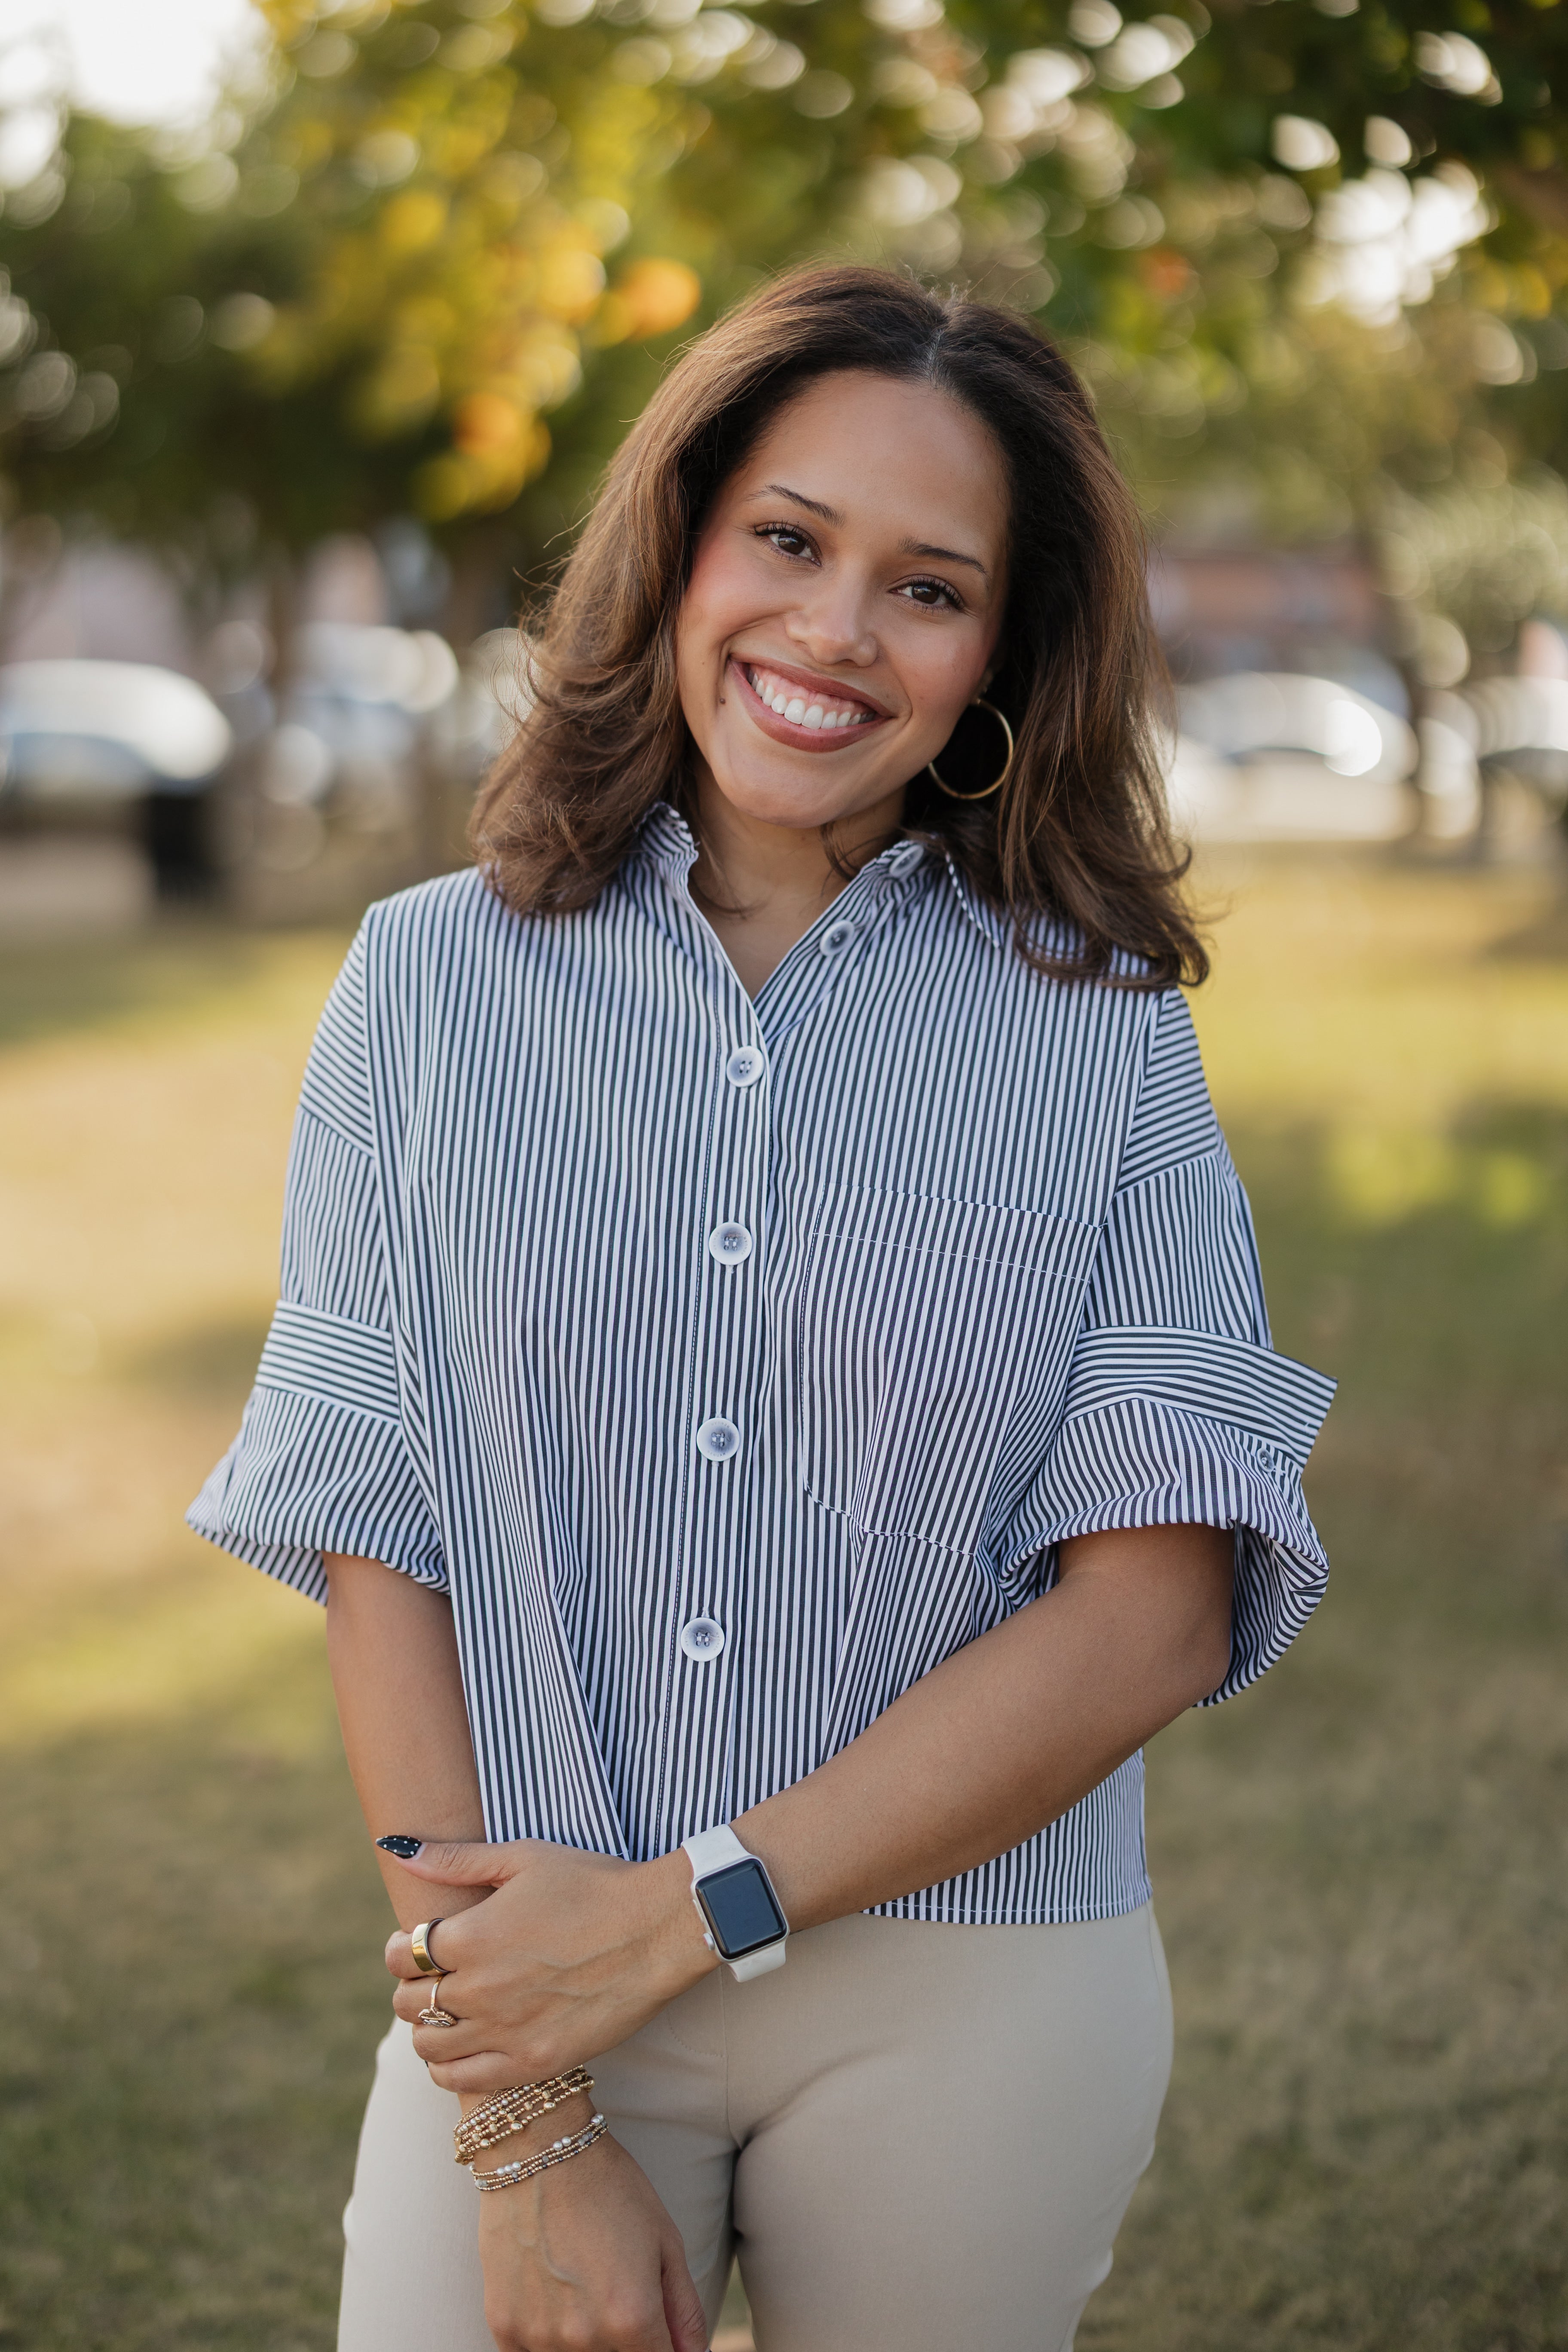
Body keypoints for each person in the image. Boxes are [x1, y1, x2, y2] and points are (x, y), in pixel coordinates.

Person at [189, 264, 1334, 2352]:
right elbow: (383, 1543)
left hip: (972, 1993)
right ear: (686, 544)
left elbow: (1157, 1610)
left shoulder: (1104, 1039)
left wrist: (695, 1906)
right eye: (789, 542)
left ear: (1004, 647)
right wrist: (528, 2118)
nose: (831, 631)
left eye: (927, 585)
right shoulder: (425, 984)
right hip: (527, 1974)